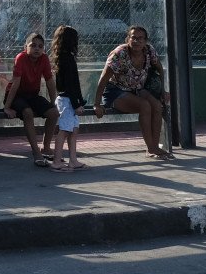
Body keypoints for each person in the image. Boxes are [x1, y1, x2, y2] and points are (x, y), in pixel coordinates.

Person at [94, 25, 174, 160]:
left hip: (137, 89)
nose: (137, 41)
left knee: (157, 105)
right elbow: (103, 79)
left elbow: (159, 69)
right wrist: (97, 104)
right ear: (128, 39)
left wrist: (162, 91)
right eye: (133, 38)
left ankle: (155, 146)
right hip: (115, 91)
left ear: (146, 41)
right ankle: (150, 149)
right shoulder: (120, 54)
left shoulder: (149, 51)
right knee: (144, 105)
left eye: (140, 38)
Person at [2, 31, 59, 167]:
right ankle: (36, 153)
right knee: (27, 113)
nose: (37, 49)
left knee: (54, 113)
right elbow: (15, 83)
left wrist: (54, 103)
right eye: (33, 45)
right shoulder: (21, 58)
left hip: (32, 95)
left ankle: (46, 148)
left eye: (40, 46)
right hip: (16, 96)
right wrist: (7, 107)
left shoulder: (44, 59)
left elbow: (50, 82)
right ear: (25, 47)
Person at [50, 25, 88, 172]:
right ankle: (57, 161)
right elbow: (71, 85)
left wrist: (78, 101)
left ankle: (73, 160)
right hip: (67, 100)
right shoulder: (67, 59)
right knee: (65, 130)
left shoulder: (63, 58)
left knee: (73, 129)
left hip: (67, 99)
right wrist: (77, 103)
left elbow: (72, 84)